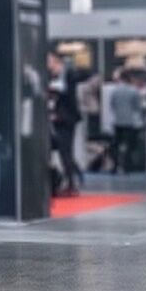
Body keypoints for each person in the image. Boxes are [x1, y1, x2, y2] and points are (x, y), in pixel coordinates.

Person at [47, 52, 82, 196]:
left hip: (66, 119)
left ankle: (72, 182)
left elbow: (68, 95)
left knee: (65, 151)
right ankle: (71, 179)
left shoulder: (69, 75)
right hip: (57, 118)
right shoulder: (52, 77)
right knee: (63, 151)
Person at [103, 69, 146, 175]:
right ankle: (127, 167)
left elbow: (112, 104)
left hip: (118, 121)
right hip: (131, 122)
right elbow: (137, 107)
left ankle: (115, 165)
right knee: (130, 146)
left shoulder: (115, 91)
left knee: (115, 145)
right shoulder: (134, 91)